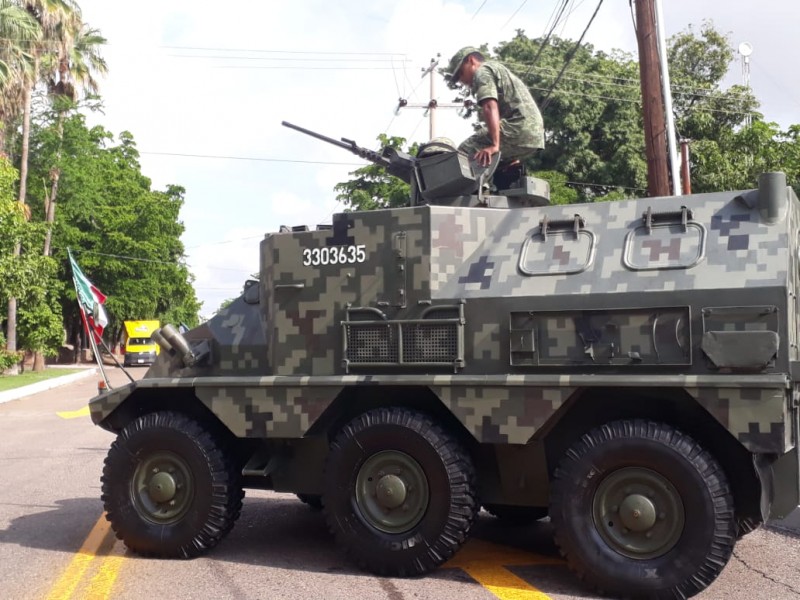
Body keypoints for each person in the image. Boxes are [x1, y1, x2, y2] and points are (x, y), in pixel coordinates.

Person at [445, 46, 544, 167]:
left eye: (461, 73)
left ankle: (482, 186)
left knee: (463, 152)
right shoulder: (498, 69)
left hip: (518, 127)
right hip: (535, 135)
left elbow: (489, 105)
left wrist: (495, 145)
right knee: (488, 158)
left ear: (471, 60)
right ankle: (508, 168)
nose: (461, 80)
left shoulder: (482, 72)